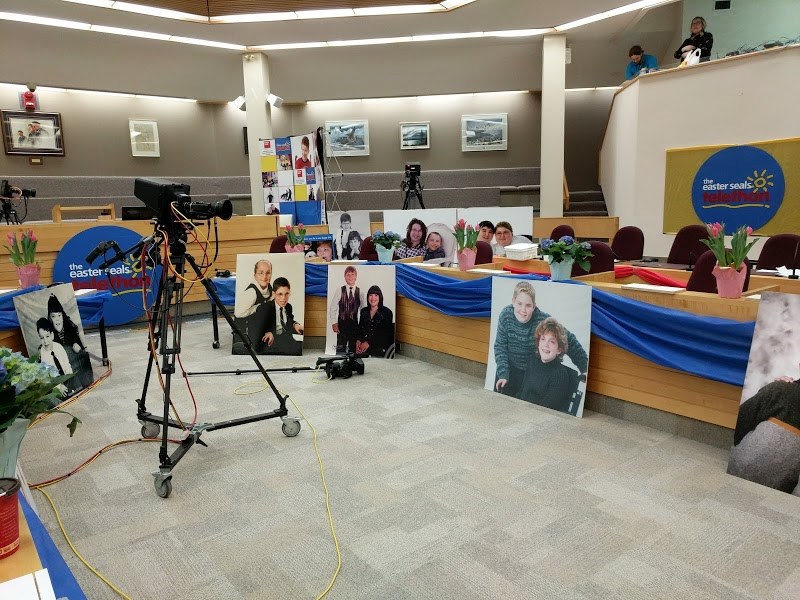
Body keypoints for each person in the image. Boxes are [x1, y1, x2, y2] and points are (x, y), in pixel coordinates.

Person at [494, 281, 588, 398]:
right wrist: (503, 374)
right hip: (508, 370)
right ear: (513, 301)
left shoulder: (542, 319)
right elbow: (500, 346)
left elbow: (569, 340)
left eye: (528, 305)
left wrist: (584, 367)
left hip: (531, 373)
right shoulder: (505, 315)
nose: (523, 309)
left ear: (534, 306)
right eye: (519, 304)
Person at [728, 370, 800, 495]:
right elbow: (740, 421)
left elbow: (740, 422)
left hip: (743, 475)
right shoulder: (781, 389)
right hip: (774, 490)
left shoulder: (780, 389)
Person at [519, 318, 581, 415]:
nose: (546, 345)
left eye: (552, 341)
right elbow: (522, 393)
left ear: (559, 349)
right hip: (521, 413)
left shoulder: (560, 375)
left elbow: (546, 410)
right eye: (543, 339)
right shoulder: (532, 361)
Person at [47, 294, 93, 391]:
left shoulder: (70, 327)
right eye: (54, 316)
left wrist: (78, 344)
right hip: (61, 365)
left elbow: (80, 345)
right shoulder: (48, 333)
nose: (57, 319)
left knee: (80, 354)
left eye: (59, 315)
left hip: (75, 360)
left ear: (63, 316)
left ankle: (85, 383)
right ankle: (73, 387)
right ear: (50, 318)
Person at [233, 259, 274, 354]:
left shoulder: (270, 289)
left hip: (261, 332)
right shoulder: (251, 292)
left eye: (268, 273)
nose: (265, 276)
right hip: (246, 337)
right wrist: (258, 307)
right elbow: (238, 314)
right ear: (255, 275)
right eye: (261, 273)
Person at [261, 277, 303, 355]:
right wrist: (267, 332)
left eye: (286, 294)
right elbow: (257, 325)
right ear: (274, 294)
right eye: (280, 294)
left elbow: (289, 320)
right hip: (272, 342)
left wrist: (295, 324)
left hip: (287, 340)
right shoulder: (265, 308)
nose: (284, 298)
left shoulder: (288, 307)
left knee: (303, 347)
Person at [328, 265, 365, 353]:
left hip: (354, 325)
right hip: (342, 324)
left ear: (356, 276)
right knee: (341, 347)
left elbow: (363, 311)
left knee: (352, 348)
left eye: (352, 274)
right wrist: (334, 323)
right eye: (348, 275)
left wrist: (362, 327)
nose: (350, 277)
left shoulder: (360, 292)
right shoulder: (339, 290)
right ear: (344, 277)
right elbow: (333, 307)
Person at [36, 318, 72, 400]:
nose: (45, 341)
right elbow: (47, 378)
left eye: (47, 336)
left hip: (66, 378)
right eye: (42, 338)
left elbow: (67, 364)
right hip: (54, 384)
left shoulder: (59, 347)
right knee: (56, 397)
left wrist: (69, 378)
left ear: (52, 335)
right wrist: (59, 387)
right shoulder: (42, 355)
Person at [355, 285, 395, 358]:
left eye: (376, 295)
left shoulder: (387, 312)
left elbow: (385, 335)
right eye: (371, 295)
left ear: (380, 297)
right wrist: (358, 341)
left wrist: (368, 343)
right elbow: (360, 330)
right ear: (368, 297)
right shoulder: (364, 311)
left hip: (379, 348)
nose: (373, 298)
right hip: (364, 347)